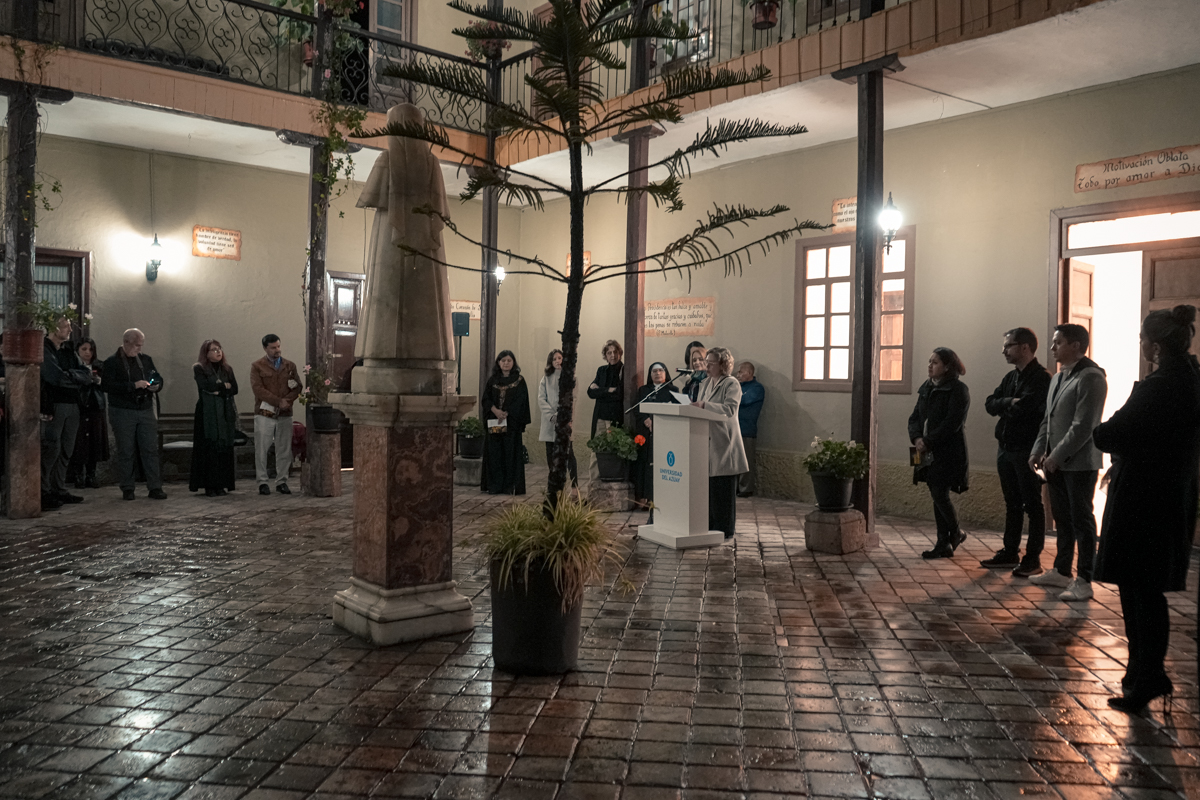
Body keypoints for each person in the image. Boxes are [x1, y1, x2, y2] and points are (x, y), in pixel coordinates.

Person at [1092, 305, 1200, 713]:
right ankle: (1143, 675)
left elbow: (1109, 433)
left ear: (1154, 346)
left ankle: (1145, 677)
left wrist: (1109, 432)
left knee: (1140, 592)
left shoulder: (1160, 386)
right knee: (1147, 590)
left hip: (1144, 500)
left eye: (1142, 339)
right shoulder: (1190, 379)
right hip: (1170, 495)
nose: (1141, 344)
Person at [1029, 323, 1108, 602]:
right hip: (1055, 462)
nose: (1052, 348)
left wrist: (1056, 456)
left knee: (1081, 519)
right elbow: (1048, 420)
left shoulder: (1091, 377)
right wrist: (1038, 450)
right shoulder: (1059, 377)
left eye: (1058, 342)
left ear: (1076, 345)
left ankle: (1085, 579)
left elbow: (1084, 426)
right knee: (1062, 517)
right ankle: (1062, 570)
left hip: (1080, 463)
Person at [981, 327, 1051, 576]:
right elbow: (989, 403)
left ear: (1025, 347)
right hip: (1006, 448)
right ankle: (1010, 552)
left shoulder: (1042, 378)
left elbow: (1028, 409)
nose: (1004, 351)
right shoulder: (1011, 377)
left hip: (1027, 450)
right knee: (1012, 503)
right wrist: (1009, 402)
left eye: (1008, 346)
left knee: (1033, 505)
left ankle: (1033, 558)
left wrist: (1005, 406)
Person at [908, 348, 970, 559]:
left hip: (946, 451)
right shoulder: (926, 387)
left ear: (947, 366)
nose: (930, 365)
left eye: (934, 362)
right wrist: (916, 438)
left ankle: (955, 532)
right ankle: (944, 542)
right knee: (935, 492)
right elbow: (915, 417)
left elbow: (952, 423)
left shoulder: (958, 389)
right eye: (929, 361)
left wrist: (928, 441)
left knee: (939, 493)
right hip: (924, 449)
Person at [102, 328, 166, 501]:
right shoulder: (112, 362)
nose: (139, 348)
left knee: (150, 449)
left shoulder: (145, 360)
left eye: (141, 345)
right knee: (126, 450)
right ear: (126, 342)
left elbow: (156, 377)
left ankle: (155, 487)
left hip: (145, 409)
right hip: (122, 411)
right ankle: (128, 488)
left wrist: (156, 385)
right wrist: (133, 385)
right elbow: (107, 386)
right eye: (137, 345)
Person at [693, 346, 748, 539]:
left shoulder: (731, 384)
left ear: (723, 364)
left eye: (711, 363)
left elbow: (729, 409)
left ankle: (725, 529)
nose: (706, 366)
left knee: (723, 488)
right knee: (710, 489)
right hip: (705, 439)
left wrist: (704, 405)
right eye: (706, 362)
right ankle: (710, 525)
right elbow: (699, 408)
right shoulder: (705, 383)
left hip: (724, 441)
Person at [40, 317, 93, 510]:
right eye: (66, 326)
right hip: (54, 404)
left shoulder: (69, 350)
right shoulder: (44, 348)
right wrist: (75, 377)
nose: (70, 330)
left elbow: (87, 375)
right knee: (51, 449)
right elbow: (54, 377)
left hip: (73, 404)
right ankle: (43, 491)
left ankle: (59, 488)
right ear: (53, 327)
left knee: (66, 450)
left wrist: (70, 375)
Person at [250, 334, 301, 496]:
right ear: (265, 348)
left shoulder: (289, 365)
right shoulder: (257, 366)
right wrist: (278, 401)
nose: (277, 350)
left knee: (284, 448)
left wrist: (287, 401)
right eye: (273, 348)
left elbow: (297, 387)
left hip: (285, 413)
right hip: (265, 413)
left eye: (278, 346)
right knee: (262, 448)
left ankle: (282, 481)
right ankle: (262, 482)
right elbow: (258, 389)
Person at [190, 340, 239, 497]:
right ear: (206, 353)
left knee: (223, 447)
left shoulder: (227, 369)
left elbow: (235, 388)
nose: (218, 352)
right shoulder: (199, 368)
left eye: (219, 349)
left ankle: (222, 484)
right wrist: (224, 386)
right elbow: (205, 386)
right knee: (209, 448)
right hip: (207, 414)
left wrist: (219, 389)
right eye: (214, 349)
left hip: (224, 412)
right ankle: (209, 485)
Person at [481, 350, 531, 495]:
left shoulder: (519, 381)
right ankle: (495, 485)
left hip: (512, 424)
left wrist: (506, 413)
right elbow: (486, 399)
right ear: (498, 363)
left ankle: (510, 486)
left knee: (510, 454)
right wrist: (496, 411)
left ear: (513, 362)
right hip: (495, 422)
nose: (506, 363)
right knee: (495, 453)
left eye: (509, 360)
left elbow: (521, 401)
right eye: (503, 361)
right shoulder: (492, 380)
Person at [632, 361, 678, 510]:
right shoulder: (644, 390)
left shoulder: (673, 390)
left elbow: (677, 410)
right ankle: (643, 497)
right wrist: (646, 420)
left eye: (660, 370)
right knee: (644, 464)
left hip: (665, 434)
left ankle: (658, 498)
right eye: (654, 371)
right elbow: (637, 408)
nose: (657, 373)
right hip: (646, 433)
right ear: (650, 374)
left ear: (665, 373)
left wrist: (659, 422)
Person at [67, 337, 109, 490]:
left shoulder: (99, 365)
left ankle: (91, 475)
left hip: (96, 406)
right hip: (80, 406)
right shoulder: (74, 366)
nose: (87, 353)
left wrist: (98, 381)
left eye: (90, 349)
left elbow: (107, 383)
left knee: (95, 441)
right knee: (79, 442)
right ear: (77, 350)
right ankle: (78, 474)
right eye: (84, 349)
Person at [537, 349, 578, 487]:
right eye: (554, 359)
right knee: (551, 454)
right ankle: (555, 485)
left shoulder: (571, 378)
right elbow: (541, 399)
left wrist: (564, 417)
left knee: (569, 454)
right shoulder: (545, 379)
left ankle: (574, 486)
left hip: (565, 421)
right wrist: (552, 416)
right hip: (549, 422)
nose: (557, 361)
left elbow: (573, 399)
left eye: (559, 358)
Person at [736, 361, 764, 498]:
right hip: (735, 428)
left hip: (747, 428)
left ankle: (746, 488)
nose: (738, 375)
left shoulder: (757, 388)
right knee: (735, 460)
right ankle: (736, 486)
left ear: (749, 373)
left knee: (746, 459)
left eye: (741, 372)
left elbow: (744, 400)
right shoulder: (738, 386)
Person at [587, 339, 624, 438]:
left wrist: (600, 391)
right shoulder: (601, 370)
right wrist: (608, 390)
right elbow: (590, 392)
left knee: (612, 445)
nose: (613, 355)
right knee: (597, 445)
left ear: (620, 353)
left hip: (614, 416)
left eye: (615, 352)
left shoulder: (624, 370)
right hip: (600, 415)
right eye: (609, 353)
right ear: (605, 356)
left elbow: (619, 394)